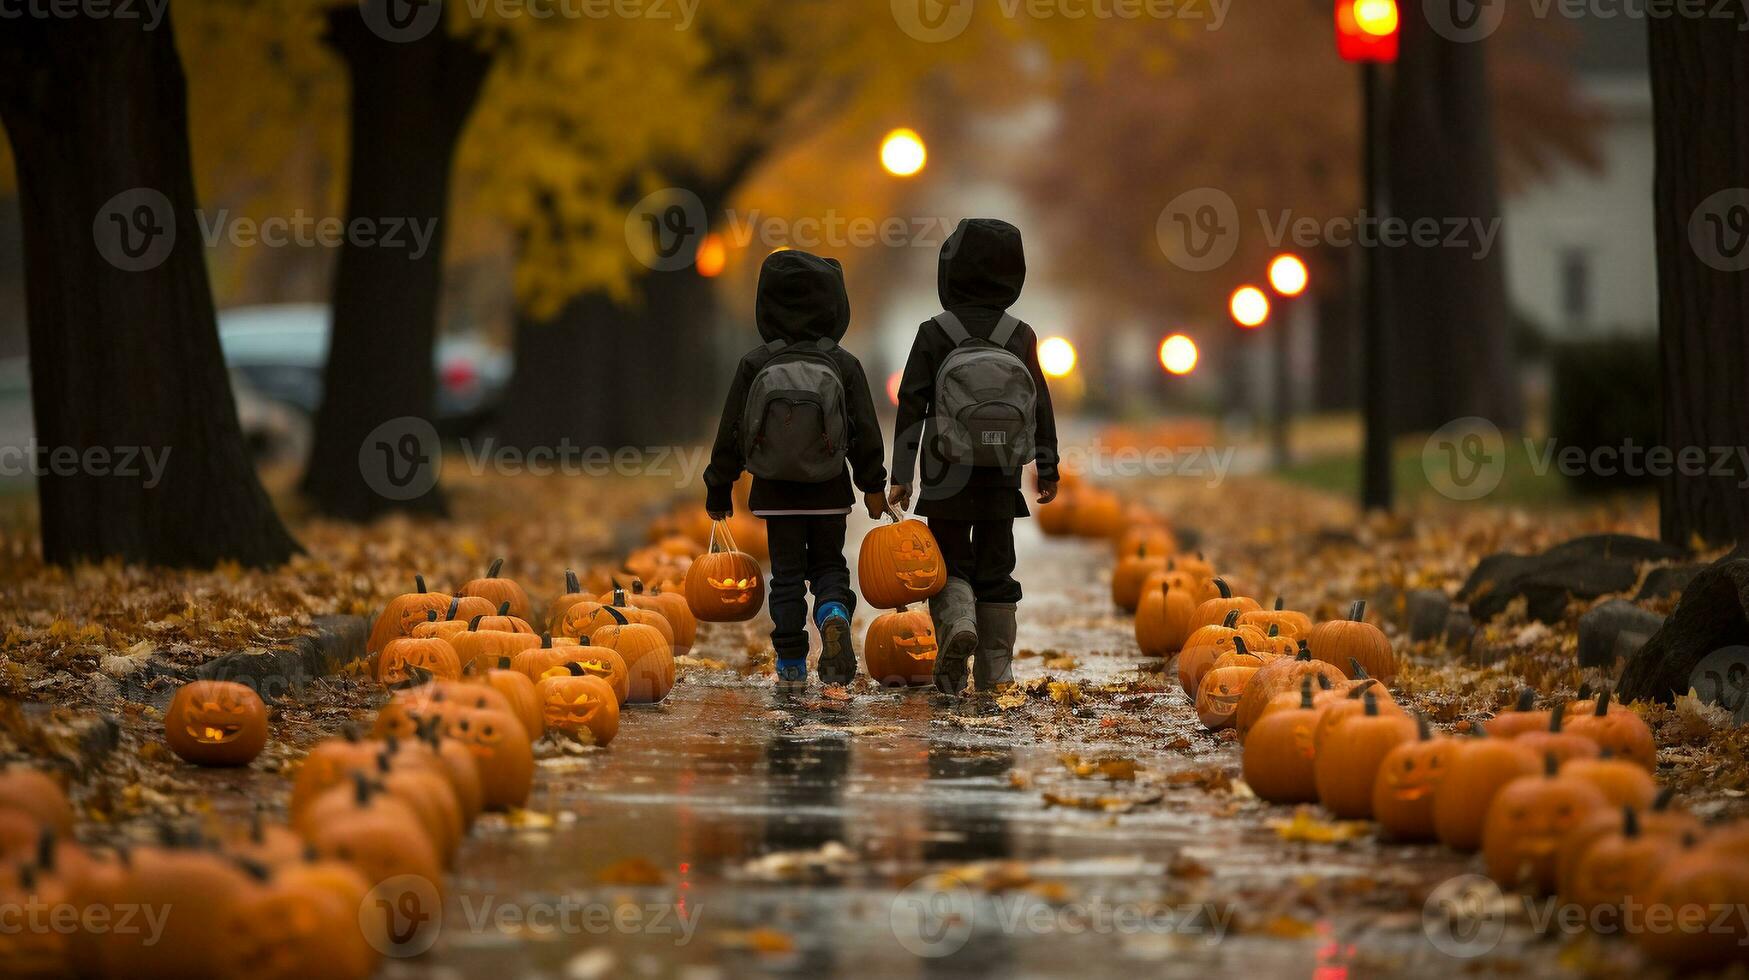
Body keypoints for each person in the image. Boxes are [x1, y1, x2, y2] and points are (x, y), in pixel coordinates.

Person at [888, 218, 1060, 695]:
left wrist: (901, 475)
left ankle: (957, 623)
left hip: (945, 474)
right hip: (1001, 474)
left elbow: (912, 403)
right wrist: (1048, 465)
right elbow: (1039, 403)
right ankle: (995, 669)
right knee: (997, 565)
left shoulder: (934, 332)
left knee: (946, 563)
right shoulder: (1019, 334)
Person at [704, 249, 887, 691]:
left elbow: (731, 429)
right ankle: (834, 614)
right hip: (829, 491)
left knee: (785, 577)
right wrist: (873, 484)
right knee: (828, 566)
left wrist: (719, 486)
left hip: (774, 493)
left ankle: (789, 664)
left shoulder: (756, 363)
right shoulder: (842, 363)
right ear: (836, 305)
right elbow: (864, 428)